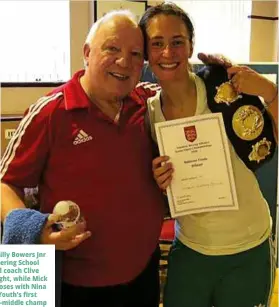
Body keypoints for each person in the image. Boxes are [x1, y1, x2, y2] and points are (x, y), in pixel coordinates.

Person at [1, 10, 166, 307]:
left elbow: (188, 89)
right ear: (87, 53)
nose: (124, 62)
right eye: (112, 48)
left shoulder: (149, 103)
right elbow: (4, 185)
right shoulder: (51, 111)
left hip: (142, 275)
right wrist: (37, 232)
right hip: (73, 286)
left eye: (135, 54)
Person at [137, 3, 278, 307]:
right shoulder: (149, 114)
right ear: (146, 53)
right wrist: (158, 180)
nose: (167, 52)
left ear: (191, 46)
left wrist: (270, 91)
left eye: (177, 42)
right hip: (191, 249)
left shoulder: (223, 89)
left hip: (248, 247)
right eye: (157, 44)